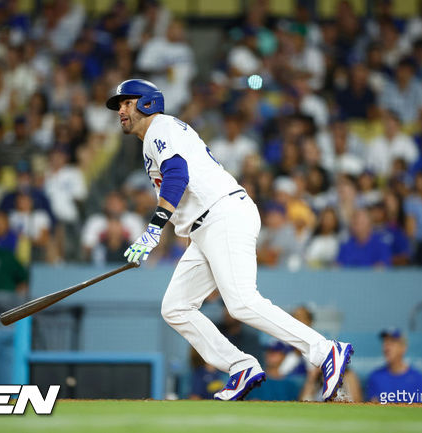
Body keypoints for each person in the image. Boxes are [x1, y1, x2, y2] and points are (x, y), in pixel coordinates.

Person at [106, 79, 353, 401]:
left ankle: (325, 351)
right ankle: (240, 366)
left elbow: (178, 174)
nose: (121, 110)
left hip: (222, 215)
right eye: (119, 105)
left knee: (241, 301)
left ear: (148, 102)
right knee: (176, 307)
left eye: (126, 102)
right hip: (206, 226)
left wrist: (154, 228)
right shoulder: (154, 136)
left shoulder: (160, 127)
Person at [366, 328, 422, 402]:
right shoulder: (375, 377)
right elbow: (373, 409)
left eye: (392, 342)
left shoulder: (417, 378)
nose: (387, 347)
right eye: (385, 342)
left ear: (403, 348)